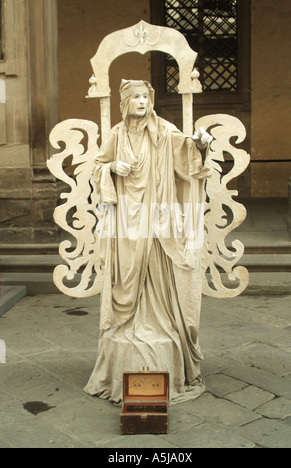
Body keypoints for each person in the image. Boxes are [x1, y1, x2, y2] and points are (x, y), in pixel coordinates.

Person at [84, 79, 212, 404]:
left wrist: (200, 144)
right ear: (126, 102)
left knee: (160, 274)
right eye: (136, 97)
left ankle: (160, 324)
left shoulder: (165, 131)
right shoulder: (116, 134)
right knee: (128, 275)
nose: (142, 101)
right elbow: (97, 167)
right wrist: (112, 166)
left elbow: (188, 157)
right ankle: (128, 326)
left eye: (145, 96)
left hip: (160, 218)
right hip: (127, 220)